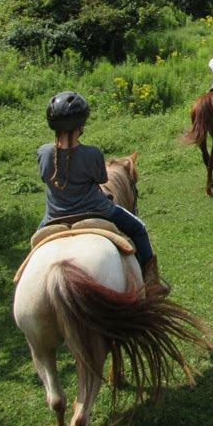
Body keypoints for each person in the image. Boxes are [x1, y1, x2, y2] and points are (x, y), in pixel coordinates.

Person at [37, 91, 170, 295]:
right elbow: (102, 180)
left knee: (35, 247)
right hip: (97, 211)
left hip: (53, 217)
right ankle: (151, 283)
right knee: (139, 228)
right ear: (81, 126)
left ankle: (22, 280)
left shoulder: (43, 153)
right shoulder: (92, 153)